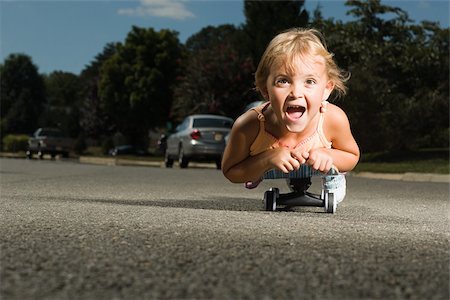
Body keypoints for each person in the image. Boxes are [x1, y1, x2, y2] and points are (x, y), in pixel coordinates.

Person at [222, 28, 360, 203]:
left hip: (320, 161)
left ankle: (333, 177)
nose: (296, 92)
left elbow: (352, 156)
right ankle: (267, 164)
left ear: (326, 89)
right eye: (283, 81)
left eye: (309, 81)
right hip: (268, 160)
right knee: (266, 162)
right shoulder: (249, 125)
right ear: (266, 90)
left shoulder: (332, 118)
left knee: (331, 163)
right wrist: (267, 158)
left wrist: (329, 155)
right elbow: (231, 171)